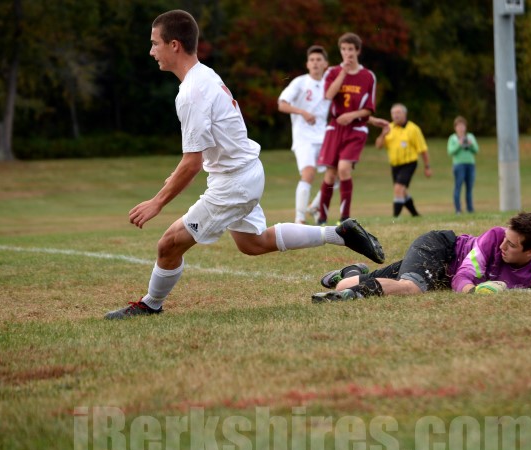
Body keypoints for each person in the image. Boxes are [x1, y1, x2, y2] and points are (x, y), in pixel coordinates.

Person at [104, 10, 385, 319]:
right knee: (253, 243)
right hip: (245, 173)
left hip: (233, 183)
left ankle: (150, 305)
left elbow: (192, 163)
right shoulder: (205, 75)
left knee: (169, 244)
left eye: (154, 43)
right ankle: (340, 233)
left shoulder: (192, 92)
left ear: (174, 45)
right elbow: (205, 148)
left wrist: (157, 202)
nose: (151, 51)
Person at [311, 212, 531, 302]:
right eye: (505, 239)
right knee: (412, 288)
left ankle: (350, 274)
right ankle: (353, 297)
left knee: (342, 284)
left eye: (512, 245)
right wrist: (474, 292)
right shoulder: (493, 237)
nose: (503, 246)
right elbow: (464, 275)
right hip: (438, 249)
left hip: (437, 272)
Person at [316, 32, 377, 225]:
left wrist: (351, 115)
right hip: (335, 128)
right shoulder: (333, 72)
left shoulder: (368, 76)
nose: (347, 53)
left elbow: (369, 109)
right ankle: (322, 218)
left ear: (357, 51)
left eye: (350, 49)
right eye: (343, 49)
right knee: (330, 174)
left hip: (356, 128)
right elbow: (328, 95)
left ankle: (345, 218)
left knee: (344, 169)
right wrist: (343, 72)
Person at [277, 45, 333, 224]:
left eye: (319, 60)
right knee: (309, 173)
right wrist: (302, 112)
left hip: (323, 136)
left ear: (325, 64)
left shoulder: (330, 84)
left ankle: (314, 206)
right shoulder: (300, 82)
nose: (315, 63)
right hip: (304, 138)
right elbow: (282, 104)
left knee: (337, 173)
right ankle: (299, 219)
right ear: (307, 64)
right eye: (312, 60)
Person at [374, 103, 432, 218]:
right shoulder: (389, 128)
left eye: (398, 112)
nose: (395, 115)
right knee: (402, 192)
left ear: (405, 114)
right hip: (395, 165)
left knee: (398, 189)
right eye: (393, 113)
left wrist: (427, 167)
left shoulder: (413, 129)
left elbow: (423, 149)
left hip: (409, 163)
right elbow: (378, 146)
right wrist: (383, 135)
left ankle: (395, 217)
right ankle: (415, 214)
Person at [448, 116, 479, 214]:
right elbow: (450, 151)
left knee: (469, 188)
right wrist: (459, 144)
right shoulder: (453, 138)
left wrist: (471, 144)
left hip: (470, 164)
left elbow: (476, 150)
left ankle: (470, 209)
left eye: (462, 126)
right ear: (455, 127)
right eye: (459, 126)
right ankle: (458, 209)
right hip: (458, 165)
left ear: (465, 127)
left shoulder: (470, 136)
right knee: (458, 186)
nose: (461, 128)